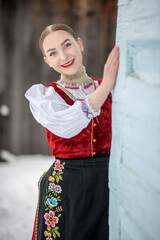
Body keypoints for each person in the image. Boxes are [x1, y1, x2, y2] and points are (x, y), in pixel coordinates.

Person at [25, 23, 119, 240]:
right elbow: (68, 126)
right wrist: (106, 86)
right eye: (53, 53)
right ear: (47, 61)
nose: (63, 56)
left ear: (80, 44)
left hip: (108, 182)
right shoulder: (47, 97)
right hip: (66, 188)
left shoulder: (110, 87)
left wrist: (107, 85)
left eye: (67, 45)